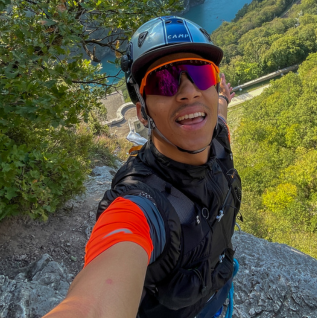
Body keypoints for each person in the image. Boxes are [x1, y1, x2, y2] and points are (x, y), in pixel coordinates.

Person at [44, 16, 241, 318]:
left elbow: (220, 118)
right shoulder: (141, 204)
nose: (189, 92)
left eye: (201, 75)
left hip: (221, 293)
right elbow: (97, 298)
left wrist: (223, 99)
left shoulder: (216, 141)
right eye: (165, 80)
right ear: (143, 112)